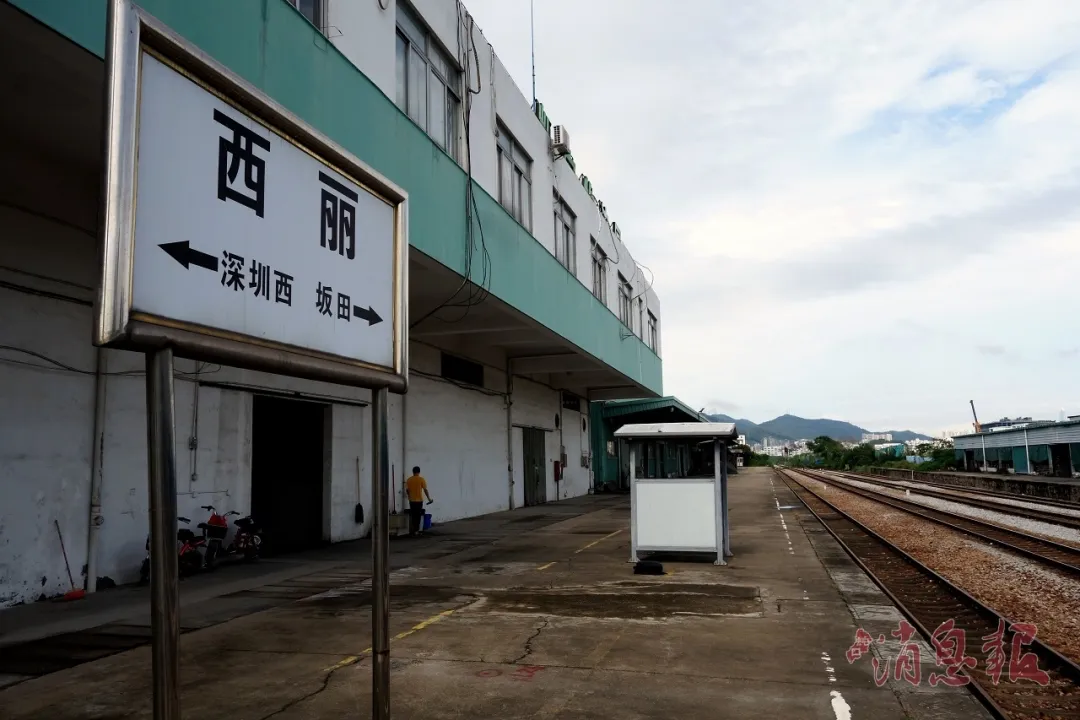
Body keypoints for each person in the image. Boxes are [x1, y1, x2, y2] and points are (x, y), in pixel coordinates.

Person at [405, 466, 432, 536]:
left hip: (411, 500)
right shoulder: (421, 479)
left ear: (413, 472)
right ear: (419, 472)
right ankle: (417, 530)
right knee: (418, 515)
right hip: (419, 500)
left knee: (413, 515)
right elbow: (425, 490)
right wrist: (429, 498)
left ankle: (414, 530)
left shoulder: (409, 480)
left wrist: (409, 496)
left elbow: (407, 490)